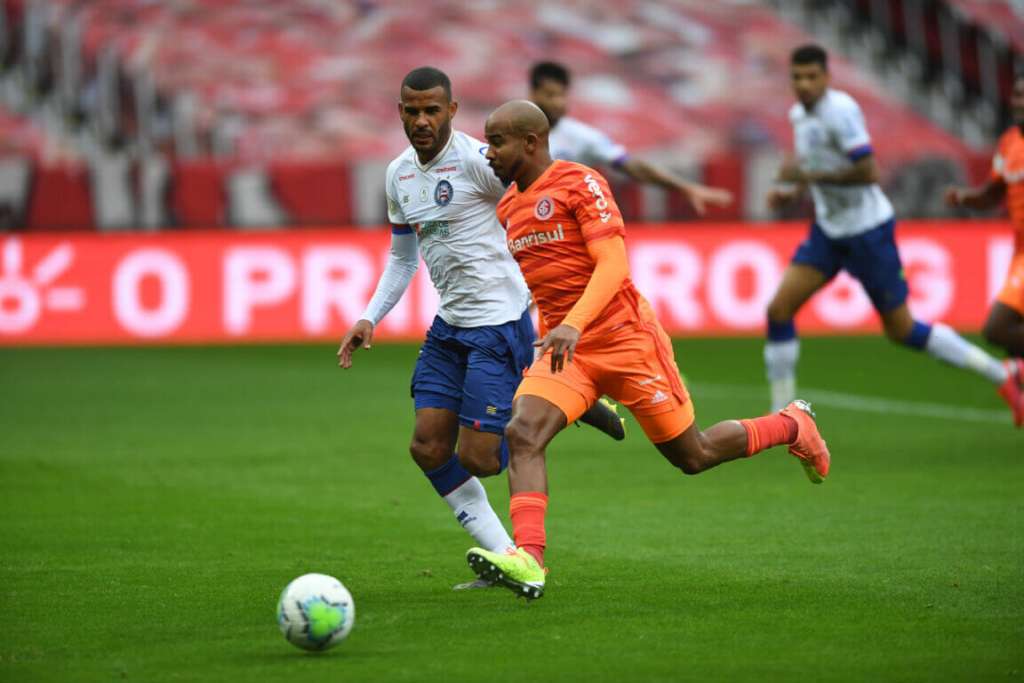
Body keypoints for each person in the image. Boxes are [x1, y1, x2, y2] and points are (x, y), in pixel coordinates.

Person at [463, 100, 832, 600]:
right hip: (565, 351)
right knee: (523, 432)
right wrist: (553, 329)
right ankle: (530, 559)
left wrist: (572, 323)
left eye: (498, 140)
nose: (489, 151)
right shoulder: (507, 206)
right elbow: (548, 279)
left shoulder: (580, 182)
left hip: (627, 341)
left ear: (530, 142)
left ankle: (791, 424)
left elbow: (613, 263)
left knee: (693, 455)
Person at [337, 68, 621, 591]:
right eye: (411, 110)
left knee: (480, 457)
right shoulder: (398, 175)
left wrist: (555, 274)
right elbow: (403, 260)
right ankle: (507, 559)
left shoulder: (479, 161)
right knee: (426, 447)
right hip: (449, 327)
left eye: (432, 110)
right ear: (399, 112)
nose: (421, 120)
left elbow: (538, 194)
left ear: (451, 110)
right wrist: (368, 316)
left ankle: (567, 406)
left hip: (499, 324)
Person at [762, 44, 1024, 424]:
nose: (803, 84)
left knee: (902, 330)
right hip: (829, 231)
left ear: (826, 77)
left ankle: (1002, 375)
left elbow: (869, 171)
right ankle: (780, 416)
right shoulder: (799, 115)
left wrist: (807, 178)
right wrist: (792, 192)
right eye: (797, 77)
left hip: (868, 233)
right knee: (778, 309)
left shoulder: (842, 112)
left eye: (811, 76)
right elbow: (815, 165)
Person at [528, 60, 733, 215]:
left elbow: (632, 166)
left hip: (558, 231)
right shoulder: (511, 132)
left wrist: (684, 187)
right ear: (533, 94)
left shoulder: (582, 137)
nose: (559, 103)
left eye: (563, 95)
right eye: (551, 95)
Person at [945, 74, 1024, 363]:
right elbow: (993, 193)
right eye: (1016, 95)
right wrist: (965, 197)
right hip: (1019, 253)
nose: (1019, 102)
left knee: (998, 328)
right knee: (1013, 348)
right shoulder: (1009, 143)